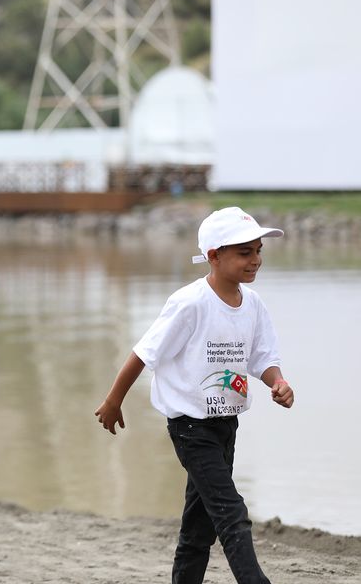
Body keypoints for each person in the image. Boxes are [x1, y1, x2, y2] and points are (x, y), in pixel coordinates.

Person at [94, 206, 295, 584]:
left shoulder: (252, 304)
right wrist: (113, 400)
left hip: (226, 424)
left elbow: (263, 357)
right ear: (214, 256)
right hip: (191, 428)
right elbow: (144, 353)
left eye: (258, 251)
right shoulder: (190, 303)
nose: (256, 260)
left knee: (198, 529)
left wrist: (278, 382)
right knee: (231, 513)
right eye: (245, 252)